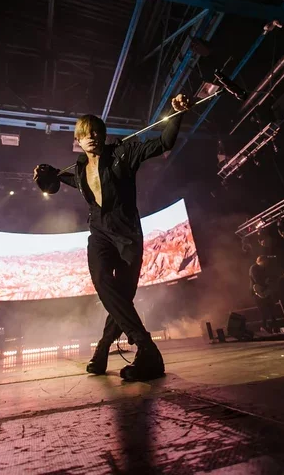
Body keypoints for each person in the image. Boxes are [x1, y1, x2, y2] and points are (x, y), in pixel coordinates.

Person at [33, 94, 190, 381]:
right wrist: (44, 174)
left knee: (122, 297)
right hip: (100, 234)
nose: (91, 136)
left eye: (97, 132)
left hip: (128, 234)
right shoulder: (79, 169)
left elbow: (164, 143)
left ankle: (103, 348)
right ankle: (147, 349)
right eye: (86, 133)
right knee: (103, 281)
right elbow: (58, 180)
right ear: (78, 139)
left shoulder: (123, 154)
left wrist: (177, 113)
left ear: (104, 135)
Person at [250, 255, 278, 333]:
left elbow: (270, 278)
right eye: (265, 261)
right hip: (258, 292)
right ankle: (264, 326)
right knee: (263, 309)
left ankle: (274, 326)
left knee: (271, 308)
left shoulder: (265, 269)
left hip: (265, 291)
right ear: (261, 261)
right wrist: (265, 282)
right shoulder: (254, 268)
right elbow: (256, 280)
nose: (266, 263)